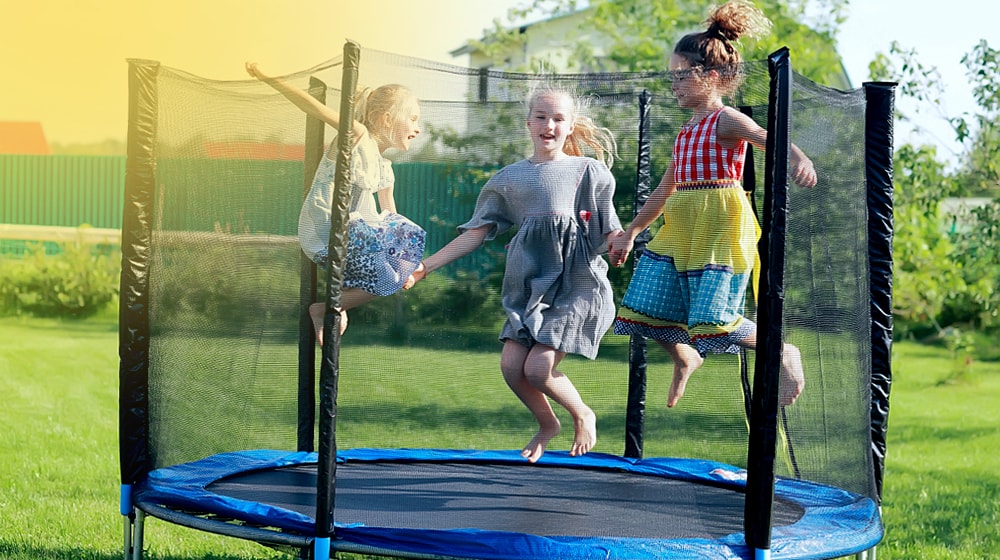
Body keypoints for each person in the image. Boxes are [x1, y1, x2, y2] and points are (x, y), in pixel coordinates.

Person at [609, 0, 815, 409]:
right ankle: (685, 355)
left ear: (712, 76)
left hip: (719, 228)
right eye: (673, 78)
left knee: (714, 321)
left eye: (681, 76)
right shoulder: (686, 131)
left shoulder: (726, 120)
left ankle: (782, 350)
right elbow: (665, 189)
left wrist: (799, 159)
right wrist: (633, 230)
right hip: (682, 230)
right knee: (645, 309)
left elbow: (766, 135)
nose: (674, 85)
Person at [404, 85, 624, 463]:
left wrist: (622, 241)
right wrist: (425, 267)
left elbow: (610, 228)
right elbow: (475, 233)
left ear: (571, 126)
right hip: (529, 286)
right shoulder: (510, 178)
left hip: (575, 285)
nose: (548, 125)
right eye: (541, 117)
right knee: (511, 366)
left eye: (558, 119)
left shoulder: (587, 171)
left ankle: (582, 413)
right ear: (528, 123)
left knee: (538, 369)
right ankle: (547, 424)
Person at [246, 63, 426, 343]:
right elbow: (313, 108)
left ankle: (334, 305)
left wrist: (405, 265)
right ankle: (331, 305)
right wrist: (269, 76)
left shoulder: (386, 169)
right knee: (389, 270)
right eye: (412, 119)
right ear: (386, 119)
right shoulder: (356, 136)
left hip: (356, 235)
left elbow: (393, 218)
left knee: (392, 274)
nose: (417, 129)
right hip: (326, 229)